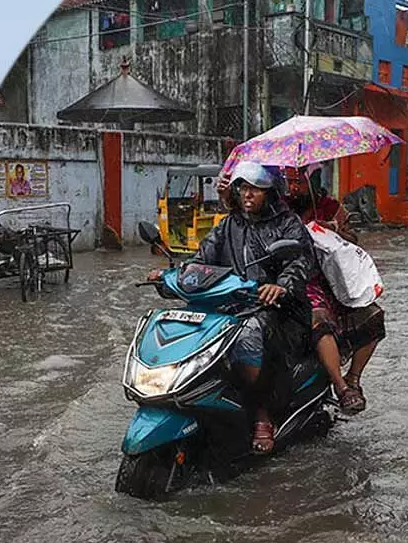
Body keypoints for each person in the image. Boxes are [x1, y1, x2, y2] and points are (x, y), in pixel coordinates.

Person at [147, 161, 315, 455]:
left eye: (256, 189)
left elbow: (301, 260)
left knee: (250, 334)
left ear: (271, 192)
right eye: (243, 188)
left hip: (279, 309)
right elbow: (203, 259)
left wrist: (281, 285)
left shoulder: (288, 224)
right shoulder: (228, 225)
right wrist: (173, 276)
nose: (248, 195)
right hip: (230, 303)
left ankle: (262, 413)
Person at [286, 171, 386, 414]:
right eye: (290, 183)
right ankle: (341, 388)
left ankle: (353, 378)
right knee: (320, 320)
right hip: (298, 279)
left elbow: (353, 239)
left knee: (374, 317)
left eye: (299, 182)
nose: (294, 188)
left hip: (333, 281)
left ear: (310, 181)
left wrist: (333, 229)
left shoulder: (329, 207)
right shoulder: (278, 209)